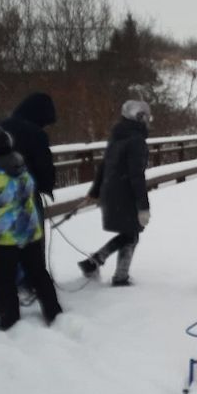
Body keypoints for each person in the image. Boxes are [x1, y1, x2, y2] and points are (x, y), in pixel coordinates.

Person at [0, 91, 58, 321]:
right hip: (27, 205)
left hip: (0, 218)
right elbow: (44, 168)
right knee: (34, 257)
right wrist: (47, 186)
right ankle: (46, 304)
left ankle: (1, 305)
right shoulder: (35, 138)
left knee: (3, 268)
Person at [79, 100, 152, 286]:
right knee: (131, 234)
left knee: (129, 234)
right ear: (140, 118)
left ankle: (101, 266)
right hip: (125, 194)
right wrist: (143, 206)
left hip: (111, 192)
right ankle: (107, 270)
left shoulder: (118, 135)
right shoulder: (136, 140)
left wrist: (95, 191)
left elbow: (104, 165)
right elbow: (136, 176)